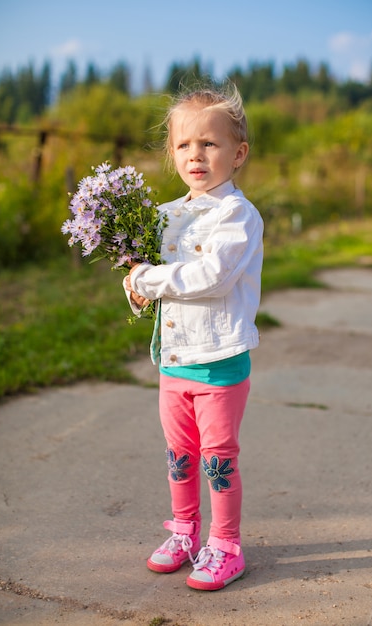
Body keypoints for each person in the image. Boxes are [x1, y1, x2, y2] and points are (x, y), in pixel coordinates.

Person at [124, 83, 264, 591]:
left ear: (238, 152)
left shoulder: (238, 217)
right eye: (184, 145)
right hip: (174, 362)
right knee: (178, 455)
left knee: (217, 459)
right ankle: (185, 531)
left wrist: (147, 279)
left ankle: (226, 545)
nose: (196, 154)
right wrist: (136, 288)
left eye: (209, 143)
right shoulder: (164, 215)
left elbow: (212, 277)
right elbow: (150, 280)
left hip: (220, 361)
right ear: (172, 153)